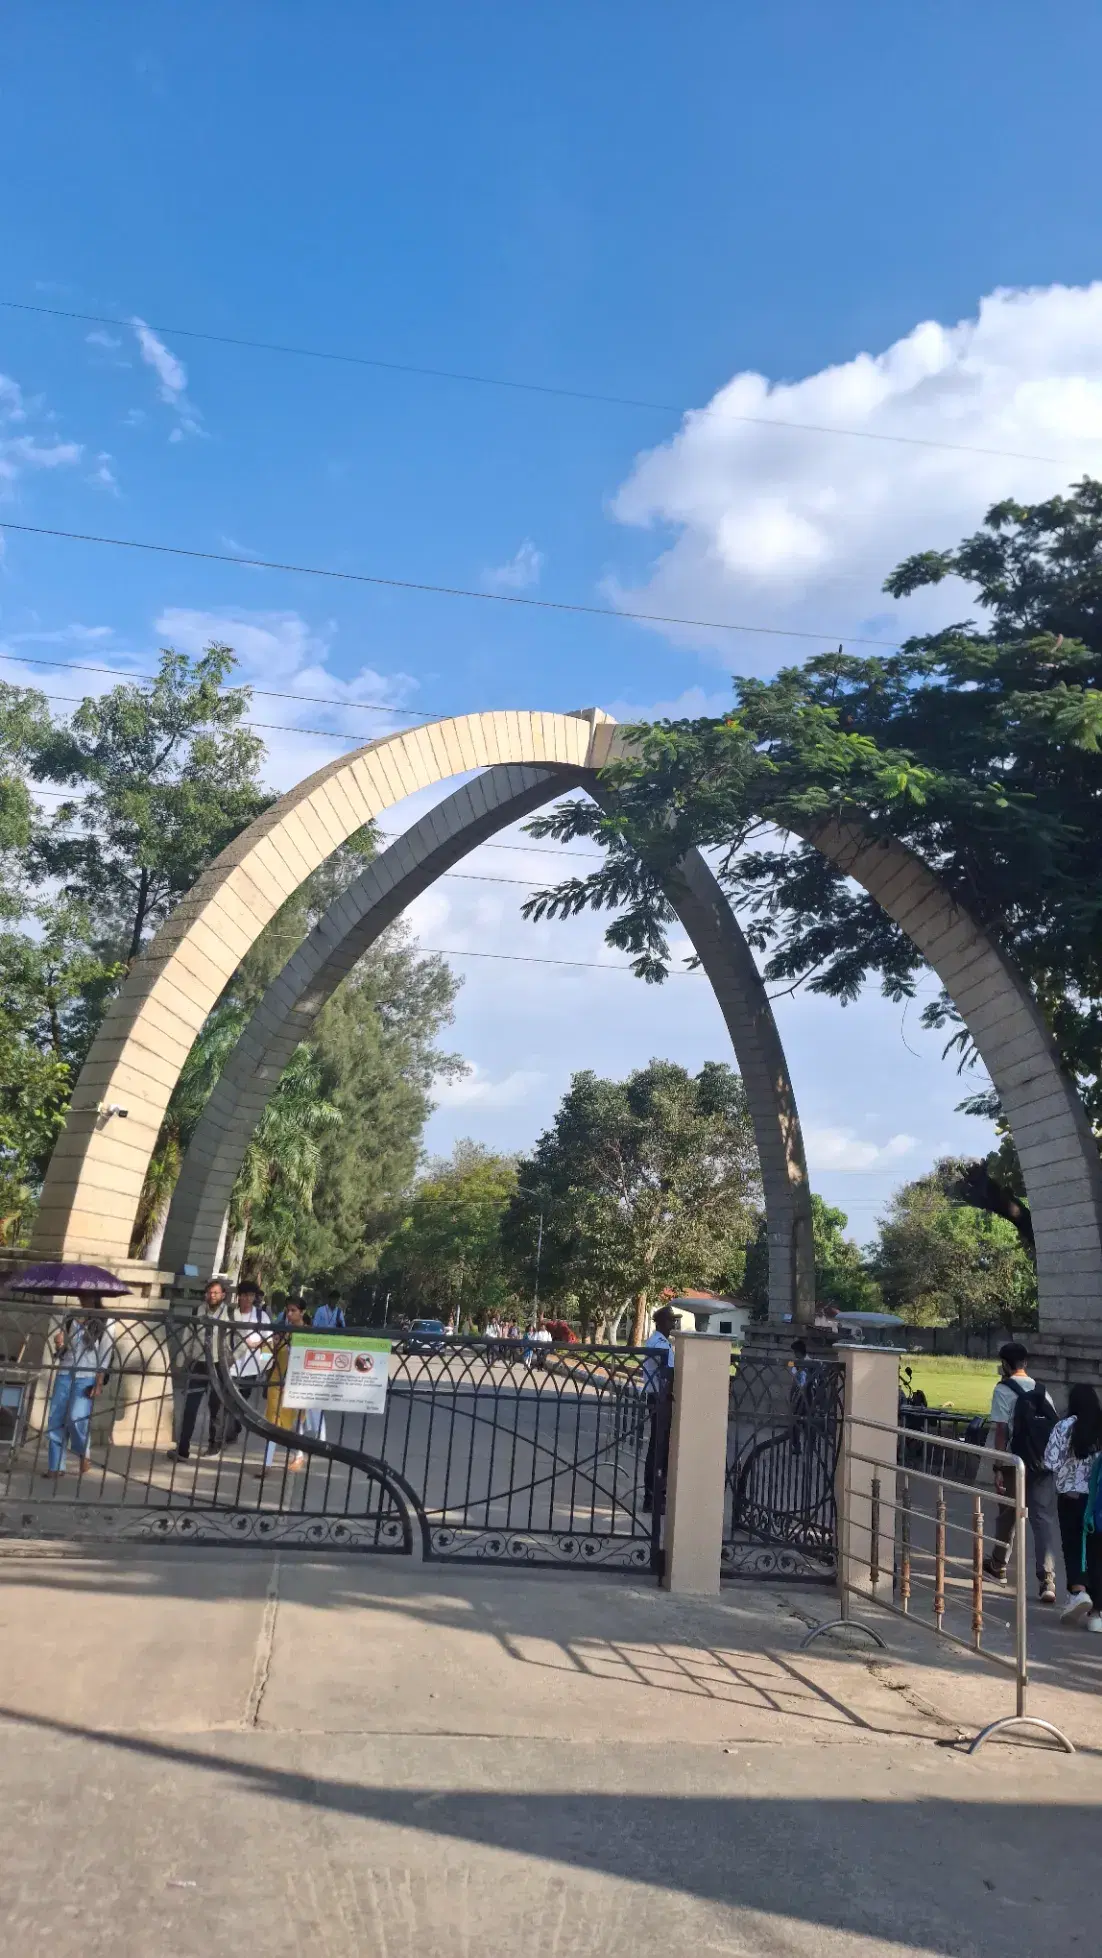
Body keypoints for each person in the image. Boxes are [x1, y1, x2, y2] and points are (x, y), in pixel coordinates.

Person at [983, 1341, 1060, 1603]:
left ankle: (998, 1564)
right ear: (1025, 1364)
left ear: (1005, 1364)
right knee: (1043, 1520)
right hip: (1044, 1464)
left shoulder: (1003, 1390)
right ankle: (1047, 1580)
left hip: (1017, 1462)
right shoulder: (1042, 1391)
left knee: (1008, 1513)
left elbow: (1001, 1430)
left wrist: (998, 1466)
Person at [1043, 1382, 1102, 1626]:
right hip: (1098, 1499)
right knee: (1097, 1551)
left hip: (1071, 1497)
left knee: (1073, 1545)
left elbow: (1050, 1462)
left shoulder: (1064, 1427)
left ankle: (1078, 1591)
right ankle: (1097, 1613)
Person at [44, 1307, 114, 1478]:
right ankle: (55, 1466)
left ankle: (84, 1453)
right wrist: (59, 1344)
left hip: (87, 1375)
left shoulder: (106, 1320)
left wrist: (98, 1382)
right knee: (56, 1419)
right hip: (65, 1372)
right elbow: (63, 1353)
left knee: (76, 1417)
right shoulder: (69, 1315)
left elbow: (106, 1354)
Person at [170, 1277, 229, 1461]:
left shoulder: (230, 1315)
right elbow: (187, 1335)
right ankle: (183, 1448)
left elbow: (241, 1339)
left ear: (223, 1295)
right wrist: (181, 1361)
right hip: (199, 1363)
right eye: (210, 1293)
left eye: (216, 1293)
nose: (212, 1296)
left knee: (216, 1407)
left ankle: (214, 1445)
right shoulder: (197, 1311)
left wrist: (232, 1359)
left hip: (219, 1365)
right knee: (190, 1407)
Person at [258, 1298, 308, 1473]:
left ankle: (299, 1455)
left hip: (298, 1384)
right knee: (273, 1422)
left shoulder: (309, 1334)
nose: (289, 1314)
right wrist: (273, 1343)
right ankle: (267, 1463)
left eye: (293, 1310)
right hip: (277, 1381)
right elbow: (267, 1356)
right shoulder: (282, 1331)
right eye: (288, 1310)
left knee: (298, 1421)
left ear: (302, 1312)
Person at [222, 1281, 272, 1448]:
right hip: (231, 1364)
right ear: (239, 1296)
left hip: (251, 1367)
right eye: (245, 1295)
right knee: (227, 1399)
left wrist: (265, 1364)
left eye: (251, 1295)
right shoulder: (230, 1314)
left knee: (242, 1400)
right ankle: (225, 1433)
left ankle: (234, 1428)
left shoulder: (261, 1317)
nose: (248, 1299)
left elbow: (269, 1342)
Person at [641, 1304, 679, 1514]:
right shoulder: (659, 1343)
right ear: (662, 1322)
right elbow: (669, 1373)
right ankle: (653, 1498)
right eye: (671, 1321)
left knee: (660, 1448)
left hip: (660, 1398)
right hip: (659, 1398)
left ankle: (656, 1495)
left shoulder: (661, 1341)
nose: (673, 1324)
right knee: (658, 1449)